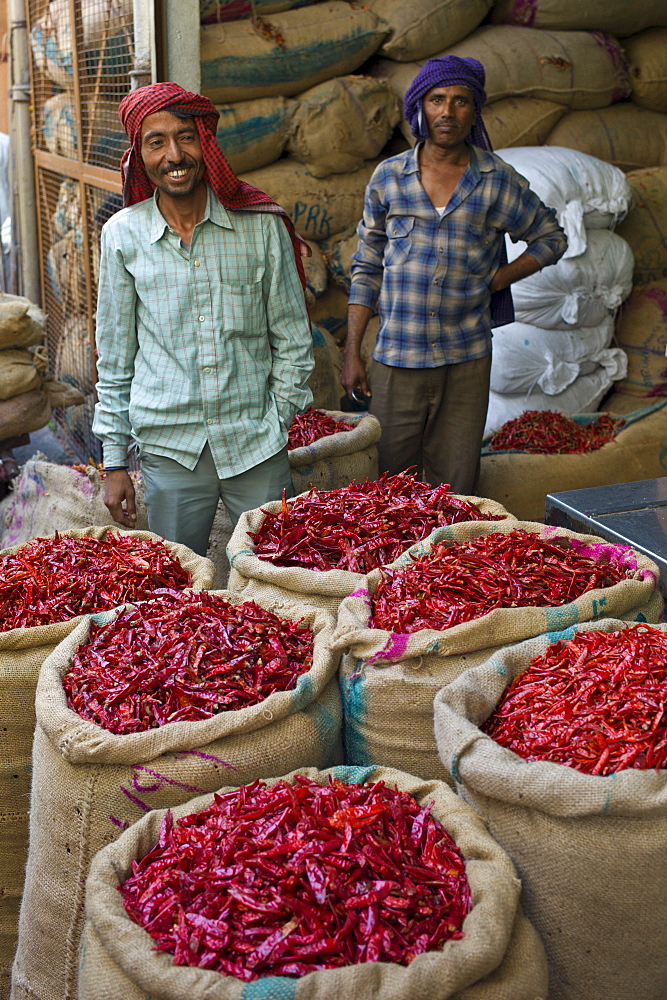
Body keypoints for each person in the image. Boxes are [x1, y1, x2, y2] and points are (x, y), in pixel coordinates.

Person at [93, 83, 314, 555]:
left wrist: (278, 417)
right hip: (170, 449)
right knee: (180, 595)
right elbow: (114, 359)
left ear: (205, 144)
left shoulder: (261, 227)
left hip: (255, 443)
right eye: (156, 142)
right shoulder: (122, 237)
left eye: (186, 137)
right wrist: (114, 462)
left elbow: (294, 340)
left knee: (276, 578)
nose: (174, 155)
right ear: (140, 155)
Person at [342, 56, 568, 493]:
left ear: (474, 111)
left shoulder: (496, 180)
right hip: (398, 360)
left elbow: (551, 237)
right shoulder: (389, 178)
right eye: (437, 100)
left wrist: (500, 278)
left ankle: (443, 560)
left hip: (465, 360)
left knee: (455, 486)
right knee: (386, 487)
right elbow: (366, 267)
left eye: (460, 101)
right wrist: (352, 351)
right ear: (420, 109)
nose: (448, 112)